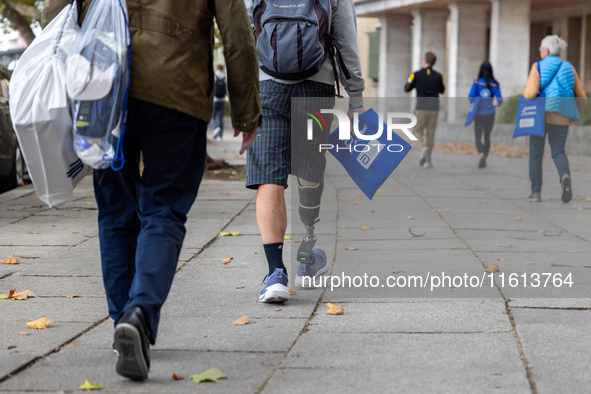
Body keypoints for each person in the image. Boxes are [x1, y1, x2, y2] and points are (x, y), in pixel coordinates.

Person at [43, 0, 261, 381]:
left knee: (115, 209)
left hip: (103, 86)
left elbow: (54, 12)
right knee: (165, 205)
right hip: (177, 87)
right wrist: (246, 112)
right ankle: (138, 313)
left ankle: (123, 326)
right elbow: (237, 33)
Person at [244, 0, 365, 302]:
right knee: (310, 171)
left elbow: (240, 35)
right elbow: (346, 37)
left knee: (269, 176)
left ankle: (275, 274)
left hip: (266, 86)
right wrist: (356, 96)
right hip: (317, 85)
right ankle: (307, 254)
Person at [524, 35, 587, 203]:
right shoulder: (569, 67)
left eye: (540, 50)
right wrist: (574, 113)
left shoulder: (537, 66)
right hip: (563, 115)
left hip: (540, 116)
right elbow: (582, 97)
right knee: (558, 151)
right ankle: (564, 176)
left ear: (545, 50)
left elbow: (529, 94)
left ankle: (536, 193)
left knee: (536, 153)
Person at [405, 51, 445, 168]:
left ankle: (423, 148)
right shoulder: (439, 76)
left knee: (416, 130)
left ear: (424, 61)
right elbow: (442, 90)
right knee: (430, 133)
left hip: (421, 107)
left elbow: (407, 88)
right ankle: (428, 161)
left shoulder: (416, 75)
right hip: (434, 108)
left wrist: (410, 80)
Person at [468, 61, 503, 168]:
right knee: (487, 137)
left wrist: (478, 101)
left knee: (478, 136)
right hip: (490, 114)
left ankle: (481, 154)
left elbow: (470, 97)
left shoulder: (477, 83)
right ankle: (485, 158)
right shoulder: (495, 84)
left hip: (479, 114)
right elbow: (500, 100)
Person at [211, 64, 227, 141]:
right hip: (222, 100)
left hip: (215, 100)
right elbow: (227, 90)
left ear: (217, 69)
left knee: (212, 116)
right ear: (222, 69)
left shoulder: (214, 76)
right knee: (220, 118)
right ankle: (220, 137)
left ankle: (216, 128)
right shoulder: (224, 78)